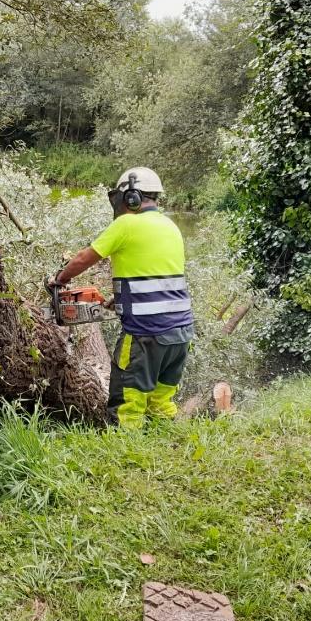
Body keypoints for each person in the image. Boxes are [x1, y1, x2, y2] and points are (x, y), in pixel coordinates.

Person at [49, 167, 194, 428]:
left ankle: (126, 455)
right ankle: (169, 443)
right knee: (161, 401)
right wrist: (122, 298)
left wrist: (60, 280)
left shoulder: (126, 224)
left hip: (145, 334)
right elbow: (158, 277)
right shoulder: (170, 226)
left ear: (131, 197)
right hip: (181, 334)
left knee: (127, 404)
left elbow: (85, 258)